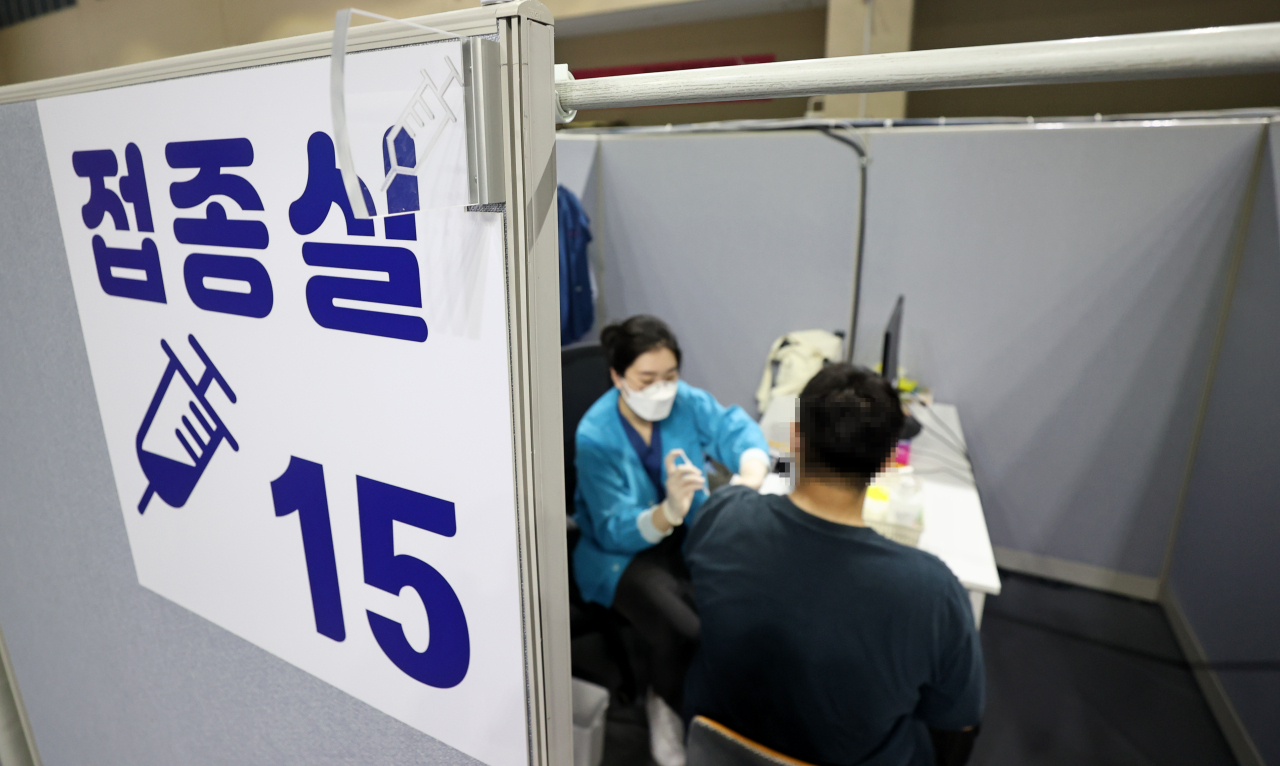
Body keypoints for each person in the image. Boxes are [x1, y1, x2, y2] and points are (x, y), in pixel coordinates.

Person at [683, 364, 984, 766]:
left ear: (794, 438)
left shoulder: (723, 516)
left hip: (720, 749)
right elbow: (958, 720)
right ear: (888, 462)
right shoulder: (932, 592)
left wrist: (773, 467)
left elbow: (783, 476)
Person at [573, 315, 771, 766]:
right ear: (618, 377)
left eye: (670, 376)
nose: (663, 389)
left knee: (728, 608)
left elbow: (734, 430)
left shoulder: (686, 403)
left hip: (687, 534)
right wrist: (665, 514)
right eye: (647, 379)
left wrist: (754, 468)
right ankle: (664, 708)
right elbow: (609, 527)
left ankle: (709, 706)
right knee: (683, 632)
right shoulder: (595, 435)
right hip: (620, 555)